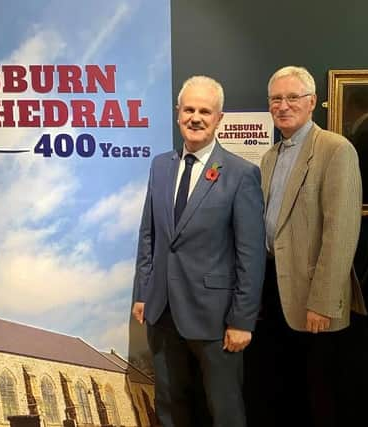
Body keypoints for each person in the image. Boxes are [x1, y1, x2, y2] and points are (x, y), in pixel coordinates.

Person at [131, 75, 266, 427]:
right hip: (162, 311)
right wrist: (143, 292)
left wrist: (242, 320)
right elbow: (149, 235)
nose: (196, 117)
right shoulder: (161, 166)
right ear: (178, 114)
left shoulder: (240, 174)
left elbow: (250, 256)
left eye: (205, 111)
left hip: (215, 317)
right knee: (169, 405)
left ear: (219, 118)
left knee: (224, 409)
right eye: (189, 109)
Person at [245, 65, 368, 427]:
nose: (283, 106)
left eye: (292, 97)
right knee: (284, 390)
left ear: (312, 101)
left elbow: (341, 232)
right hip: (274, 291)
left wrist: (324, 301)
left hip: (314, 296)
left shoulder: (335, 149)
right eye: (276, 99)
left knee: (320, 395)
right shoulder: (271, 156)